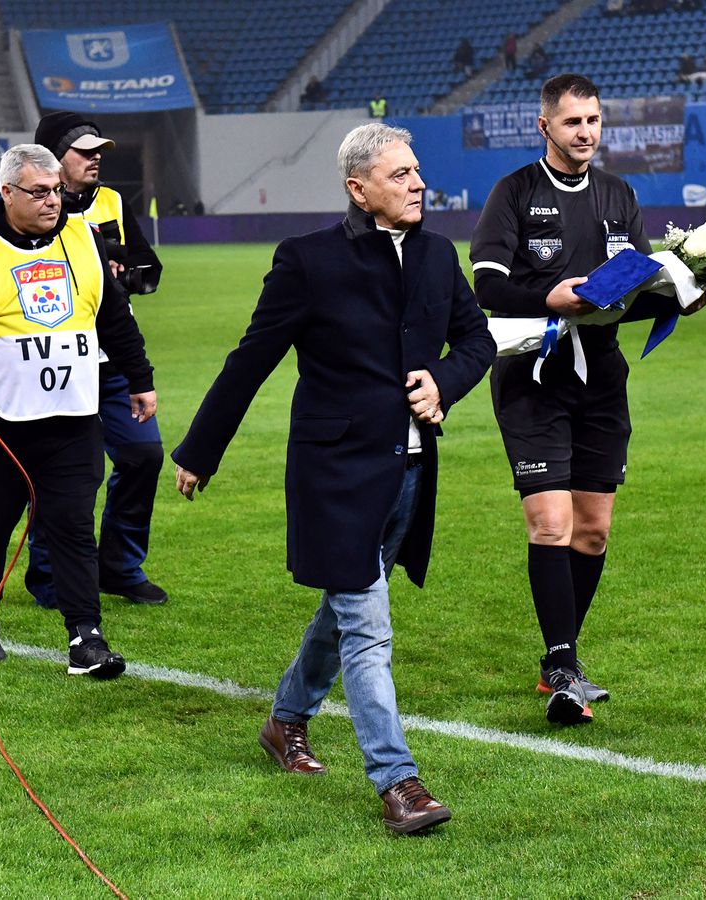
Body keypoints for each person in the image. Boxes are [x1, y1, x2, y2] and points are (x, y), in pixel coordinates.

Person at [172, 124, 494, 834]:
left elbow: (479, 341)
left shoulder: (440, 256)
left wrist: (443, 380)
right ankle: (399, 782)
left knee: (346, 611)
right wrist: (200, 449)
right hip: (334, 476)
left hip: (410, 473)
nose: (417, 184)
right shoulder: (307, 261)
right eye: (401, 174)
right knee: (369, 630)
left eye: (418, 172)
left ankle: (285, 721)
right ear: (358, 188)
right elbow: (250, 358)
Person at [470, 73, 698, 726]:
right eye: (573, 122)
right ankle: (564, 663)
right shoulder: (513, 193)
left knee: (592, 533)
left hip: (601, 380)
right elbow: (485, 286)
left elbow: (628, 294)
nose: (587, 132)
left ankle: (559, 664)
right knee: (551, 524)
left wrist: (678, 293)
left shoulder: (618, 195)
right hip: (531, 379)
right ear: (545, 127)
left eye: (594, 120)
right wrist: (549, 297)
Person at [0, 144, 158, 677]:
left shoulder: (83, 240)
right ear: (7, 193)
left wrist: (140, 379)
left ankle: (85, 639)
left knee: (71, 524)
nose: (52, 201)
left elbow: (113, 317)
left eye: (56, 191)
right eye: (39, 192)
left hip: (72, 412)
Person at [28, 111, 168, 607]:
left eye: (98, 151)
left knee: (143, 454)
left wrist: (121, 276)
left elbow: (149, 270)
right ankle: (47, 576)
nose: (95, 159)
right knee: (60, 471)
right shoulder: (29, 209)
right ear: (52, 158)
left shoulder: (112, 201)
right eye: (84, 151)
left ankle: (120, 567)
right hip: (56, 362)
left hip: (112, 360)